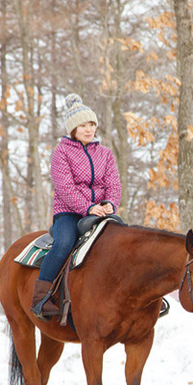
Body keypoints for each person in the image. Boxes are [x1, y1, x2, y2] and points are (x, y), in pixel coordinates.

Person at [31, 94, 122, 320]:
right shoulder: (61, 152)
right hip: (69, 212)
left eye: (91, 124)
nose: (89, 129)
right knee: (63, 244)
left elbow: (113, 184)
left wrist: (109, 204)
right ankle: (41, 298)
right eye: (83, 126)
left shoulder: (105, 153)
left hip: (101, 211)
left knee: (124, 242)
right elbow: (65, 188)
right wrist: (88, 208)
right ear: (73, 129)